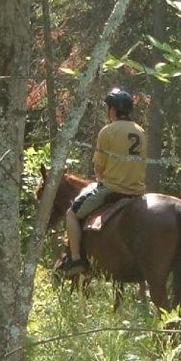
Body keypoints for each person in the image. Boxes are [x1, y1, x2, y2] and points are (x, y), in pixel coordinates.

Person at [57, 87, 147, 277]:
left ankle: (75, 259)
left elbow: (99, 168)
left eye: (108, 108)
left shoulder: (107, 131)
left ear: (113, 110)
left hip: (113, 188)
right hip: (137, 191)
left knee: (72, 214)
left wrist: (102, 179)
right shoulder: (140, 131)